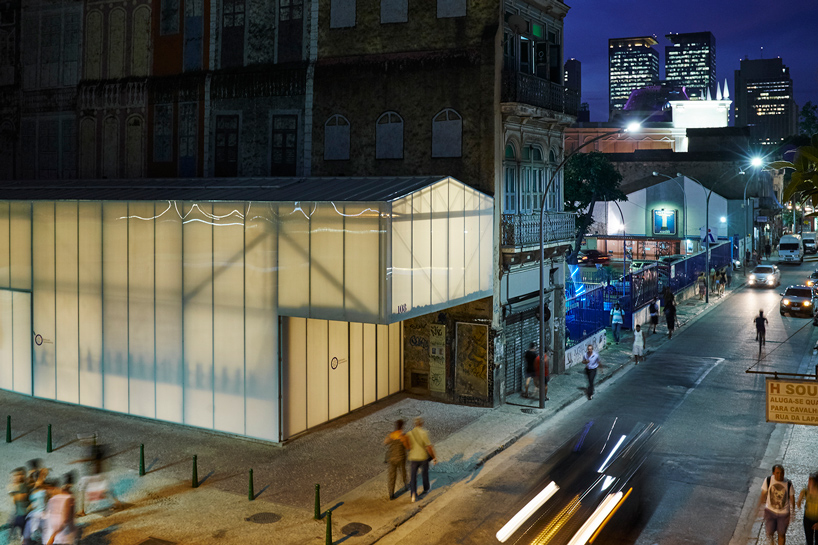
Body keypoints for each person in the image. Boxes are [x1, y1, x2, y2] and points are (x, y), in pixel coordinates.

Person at [759, 464, 795, 545]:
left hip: (783, 514)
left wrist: (793, 511)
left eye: (782, 473)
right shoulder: (768, 480)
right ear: (773, 473)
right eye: (777, 473)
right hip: (770, 512)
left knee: (781, 534)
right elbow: (763, 494)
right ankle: (772, 542)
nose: (780, 475)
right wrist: (759, 507)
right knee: (769, 532)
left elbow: (792, 497)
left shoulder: (788, 483)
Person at [406, 418, 437, 503]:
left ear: (414, 424)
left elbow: (408, 447)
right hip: (423, 457)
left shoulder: (409, 433)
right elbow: (429, 447)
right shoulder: (424, 433)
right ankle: (426, 489)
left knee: (413, 476)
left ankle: (413, 494)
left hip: (413, 457)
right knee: (424, 473)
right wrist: (434, 457)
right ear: (421, 424)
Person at [44, 473, 78, 545]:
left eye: (47, 489)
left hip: (63, 537)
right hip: (56, 537)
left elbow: (66, 519)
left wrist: (52, 537)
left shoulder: (68, 498)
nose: (46, 492)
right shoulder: (51, 500)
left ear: (52, 488)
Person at [383, 419, 410, 500]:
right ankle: (405, 485)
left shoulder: (391, 435)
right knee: (403, 472)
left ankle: (391, 494)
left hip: (392, 458)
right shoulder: (403, 436)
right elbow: (407, 447)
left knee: (392, 476)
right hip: (401, 458)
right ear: (402, 426)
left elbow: (385, 442)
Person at [7, 467, 30, 541]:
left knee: (25, 536)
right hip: (18, 514)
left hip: (25, 515)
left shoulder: (24, 485)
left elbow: (22, 497)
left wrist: (12, 490)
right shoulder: (18, 486)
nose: (18, 477)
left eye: (19, 474)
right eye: (16, 475)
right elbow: (13, 501)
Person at [798, 472, 818, 545]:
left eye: (810, 481)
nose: (808, 482)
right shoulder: (806, 491)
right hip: (807, 519)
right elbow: (799, 502)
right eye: (808, 480)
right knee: (809, 541)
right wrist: (799, 501)